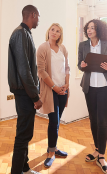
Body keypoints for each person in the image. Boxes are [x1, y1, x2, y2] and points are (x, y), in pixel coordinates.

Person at [8, 5, 43, 174]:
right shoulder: (20, 34)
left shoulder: (25, 33)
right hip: (25, 93)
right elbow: (24, 70)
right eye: (38, 17)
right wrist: (35, 96)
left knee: (26, 133)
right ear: (33, 15)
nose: (38, 20)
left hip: (25, 92)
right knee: (23, 134)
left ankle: (24, 168)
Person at [78, 19, 107, 173]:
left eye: (92, 28)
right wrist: (81, 66)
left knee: (102, 121)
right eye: (88, 28)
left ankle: (101, 156)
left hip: (105, 87)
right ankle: (96, 148)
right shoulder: (83, 45)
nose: (89, 30)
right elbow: (79, 64)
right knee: (93, 119)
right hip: (90, 87)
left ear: (99, 29)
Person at [36, 23, 70, 168]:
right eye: (52, 30)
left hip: (63, 89)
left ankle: (54, 147)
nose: (54, 33)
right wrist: (55, 88)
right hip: (51, 90)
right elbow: (41, 71)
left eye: (58, 31)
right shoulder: (43, 48)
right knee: (54, 121)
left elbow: (67, 67)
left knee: (57, 120)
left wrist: (67, 84)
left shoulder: (62, 48)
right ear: (48, 32)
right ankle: (51, 153)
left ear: (60, 35)